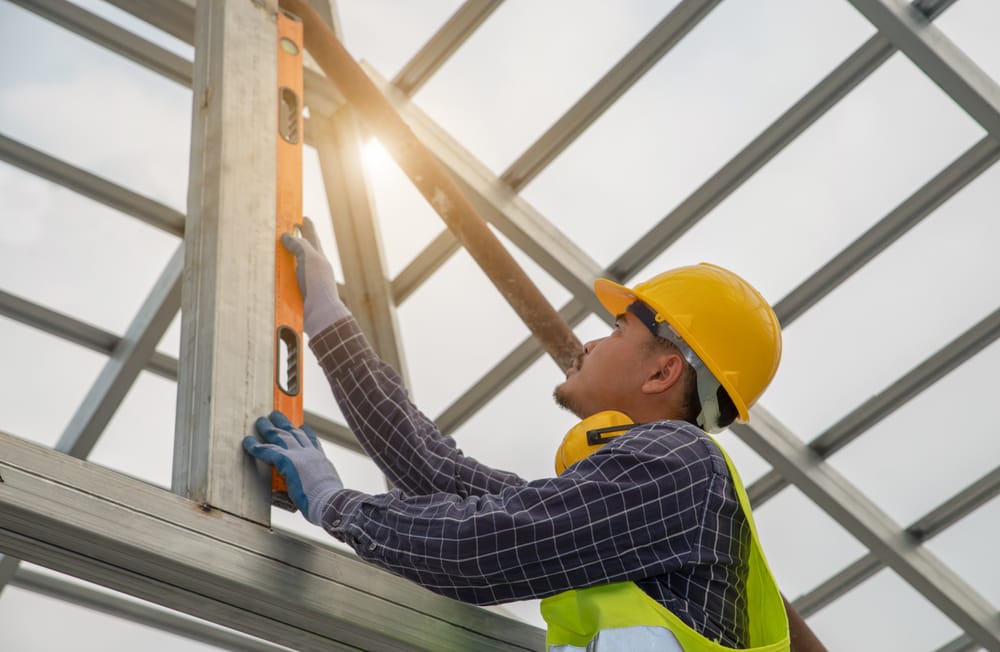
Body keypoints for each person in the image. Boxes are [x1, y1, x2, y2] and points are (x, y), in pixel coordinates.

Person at [243, 218, 797, 651]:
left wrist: (338, 505)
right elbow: (439, 472)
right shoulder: (645, 494)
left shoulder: (680, 464)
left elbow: (484, 544)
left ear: (662, 373)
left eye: (616, 329)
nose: (590, 344)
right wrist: (326, 316)